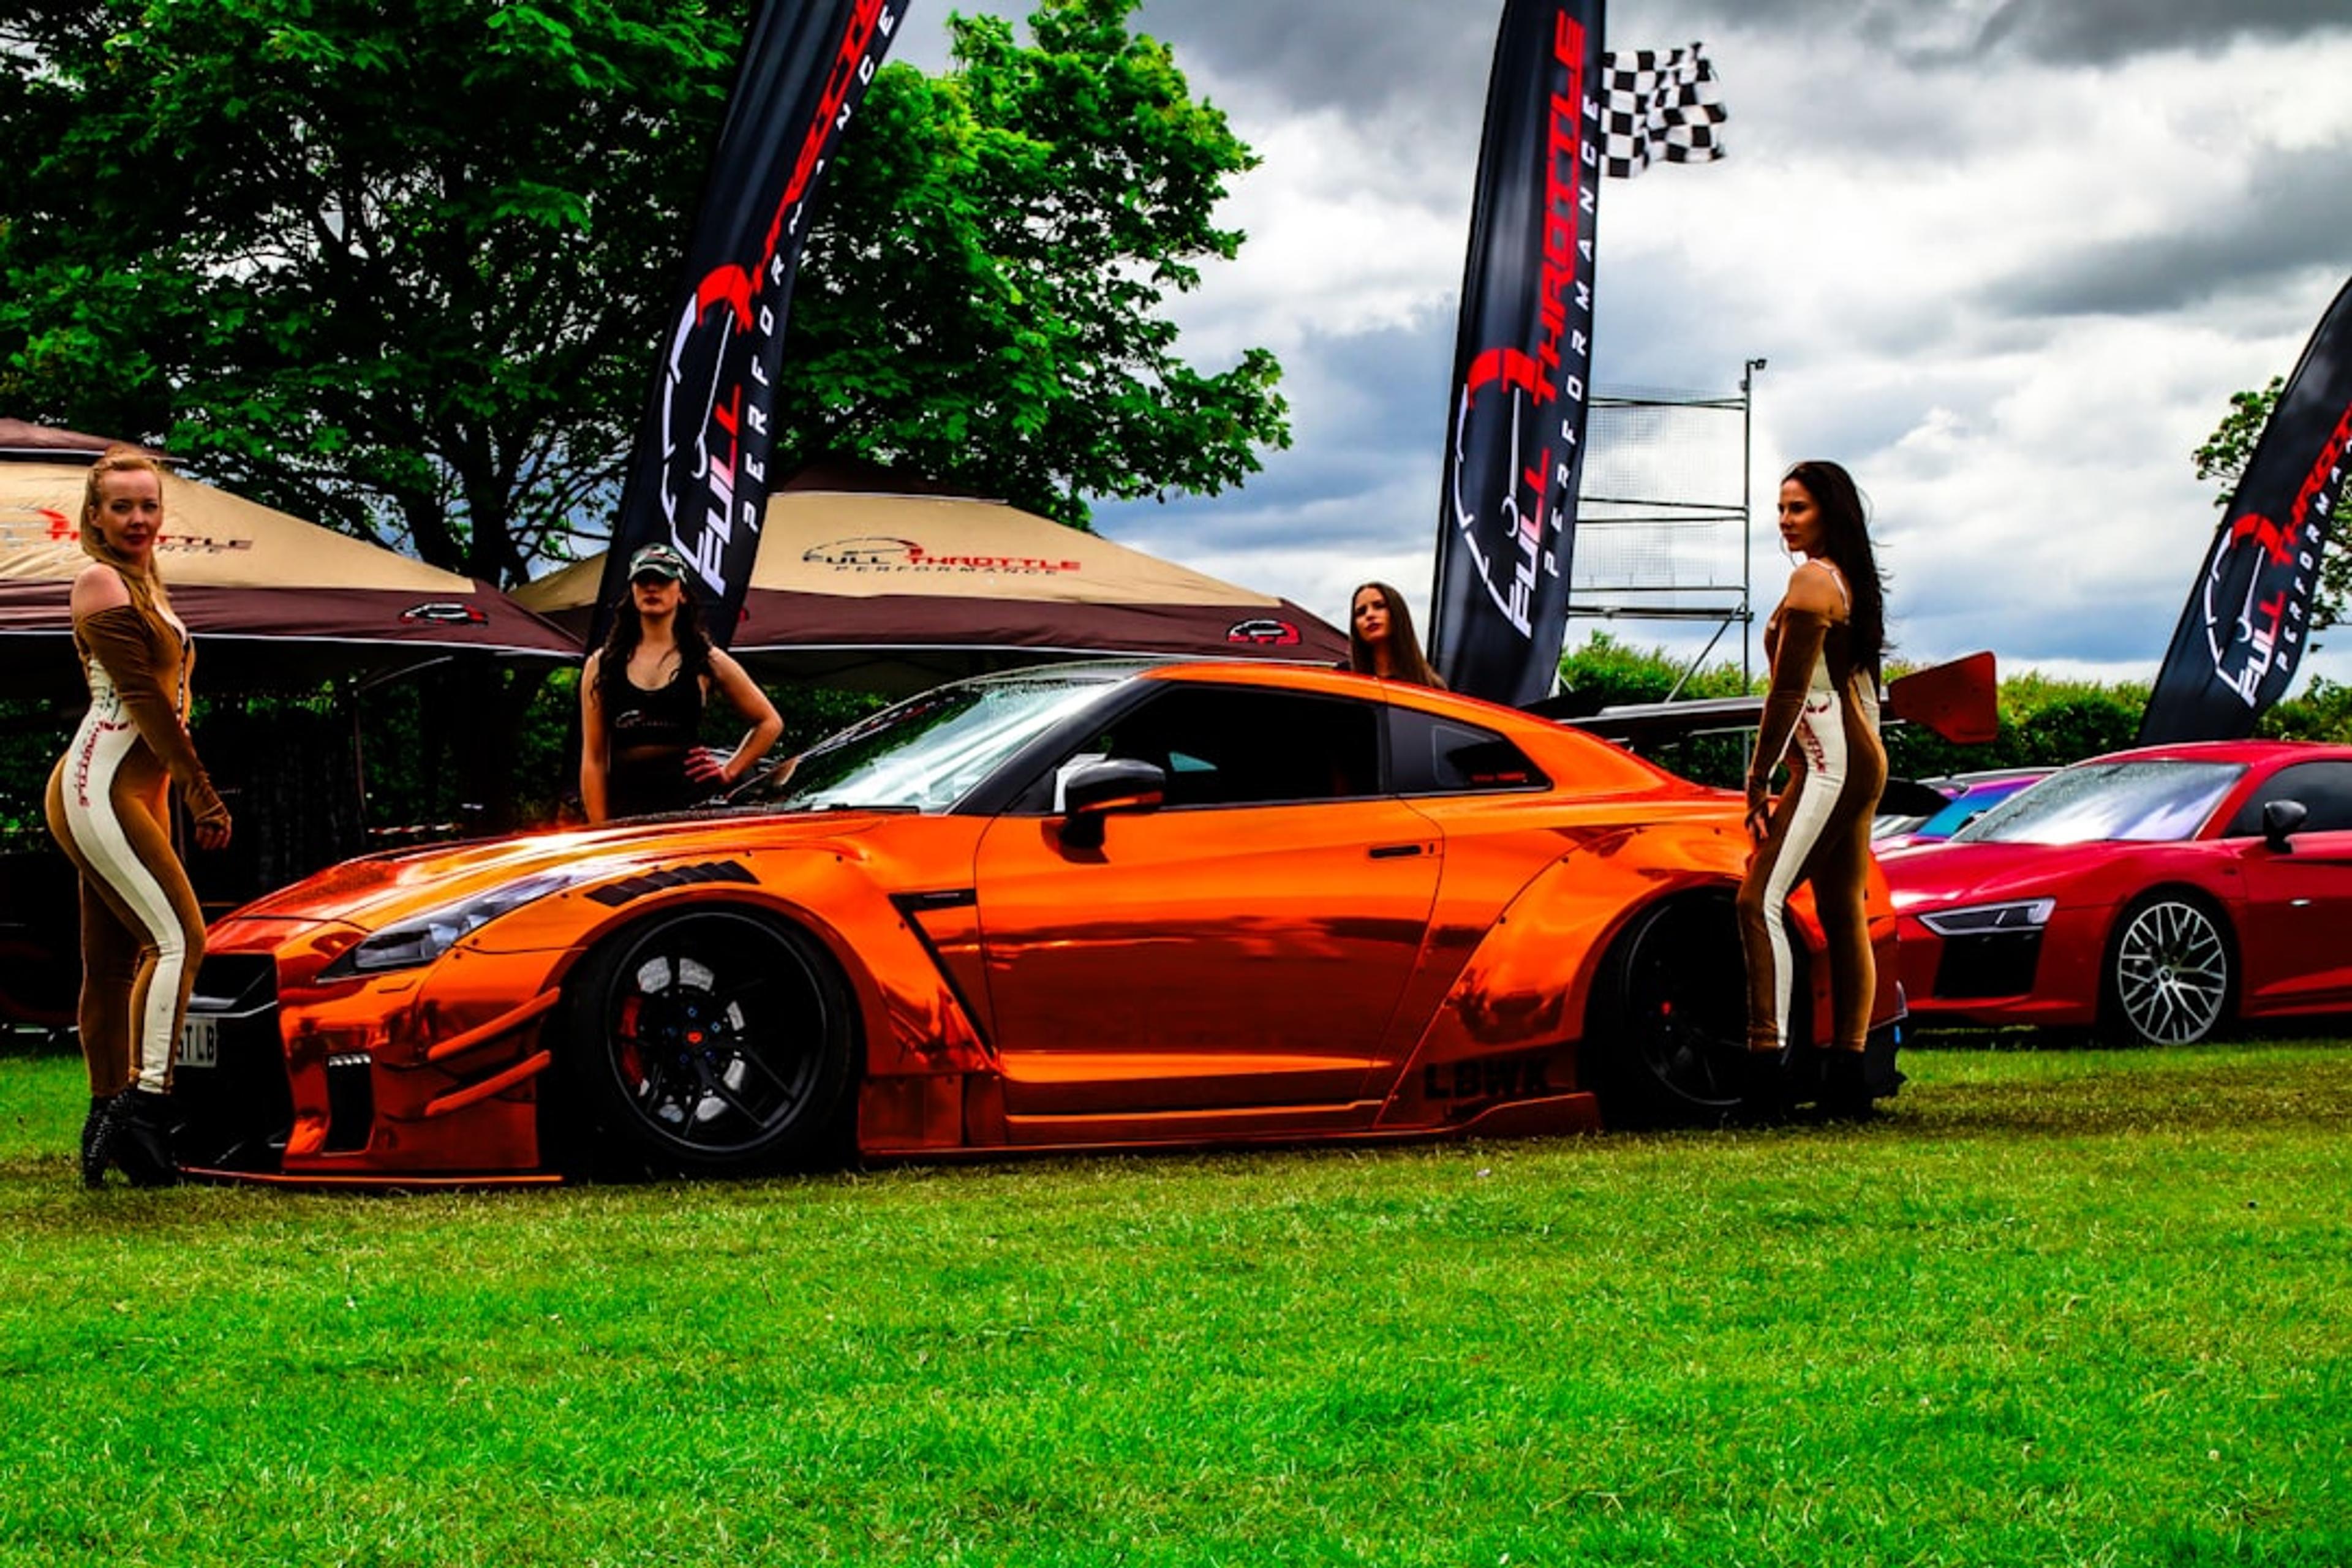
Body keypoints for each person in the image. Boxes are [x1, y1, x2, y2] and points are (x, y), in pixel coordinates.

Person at [44, 445, 232, 1186]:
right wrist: (202, 791)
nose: (138, 518)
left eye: (149, 504)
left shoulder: (146, 588)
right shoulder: (100, 581)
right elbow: (149, 706)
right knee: (181, 939)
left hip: (128, 789)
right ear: (94, 517)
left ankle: (107, 1116)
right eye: (121, 506)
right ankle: (145, 1106)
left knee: (115, 963)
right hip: (101, 785)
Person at [1737, 459, 1889, 1118]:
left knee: (1757, 899)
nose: (1784, 520)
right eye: (1780, 509)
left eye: (1796, 508)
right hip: (1852, 759)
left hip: (1829, 764)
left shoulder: (1811, 582)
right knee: (1840, 911)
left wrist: (1758, 775)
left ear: (1829, 511)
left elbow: (1790, 693)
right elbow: (1858, 687)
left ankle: (1766, 1069)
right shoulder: (1844, 581)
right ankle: (1849, 1076)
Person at [579, 542, 784, 823]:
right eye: (643, 580)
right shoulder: (601, 665)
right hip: (625, 811)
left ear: (682, 593)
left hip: (690, 808)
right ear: (632, 591)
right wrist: (599, 829)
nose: (652, 588)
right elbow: (594, 758)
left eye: (662, 580)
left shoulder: (706, 659)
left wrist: (730, 770)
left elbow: (769, 722)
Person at [1346, 581, 1446, 687]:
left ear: (1398, 614)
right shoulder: (1343, 676)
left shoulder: (1432, 686)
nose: (1369, 615)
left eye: (1379, 606)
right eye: (1361, 612)